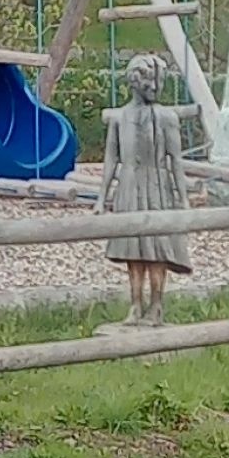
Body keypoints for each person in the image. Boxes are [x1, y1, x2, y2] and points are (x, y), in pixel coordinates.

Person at [97, 51, 192, 327]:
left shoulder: (166, 118)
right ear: (135, 84)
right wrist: (102, 198)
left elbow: (175, 160)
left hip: (157, 185)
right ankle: (136, 304)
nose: (153, 88)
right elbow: (111, 158)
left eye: (155, 83)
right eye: (147, 83)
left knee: (157, 248)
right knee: (132, 248)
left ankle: (157, 305)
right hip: (129, 184)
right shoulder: (119, 118)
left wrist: (183, 198)